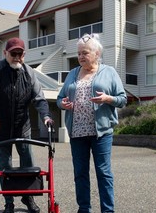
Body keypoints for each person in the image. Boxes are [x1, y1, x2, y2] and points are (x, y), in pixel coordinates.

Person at [56, 33, 127, 213]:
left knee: (103, 173)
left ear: (96, 54)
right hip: (77, 133)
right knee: (80, 174)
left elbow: (122, 99)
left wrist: (108, 98)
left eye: (85, 53)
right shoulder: (72, 73)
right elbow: (59, 98)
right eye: (79, 53)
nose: (80, 56)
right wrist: (63, 103)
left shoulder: (108, 72)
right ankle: (84, 208)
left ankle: (107, 210)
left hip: (101, 133)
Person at [0, 37, 53, 213]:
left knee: (28, 165)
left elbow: (39, 98)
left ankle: (27, 198)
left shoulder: (29, 73)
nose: (16, 57)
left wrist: (46, 116)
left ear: (24, 54)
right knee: (5, 167)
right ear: (5, 53)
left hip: (23, 127)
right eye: (13, 53)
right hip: (1, 128)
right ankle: (9, 202)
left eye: (19, 54)